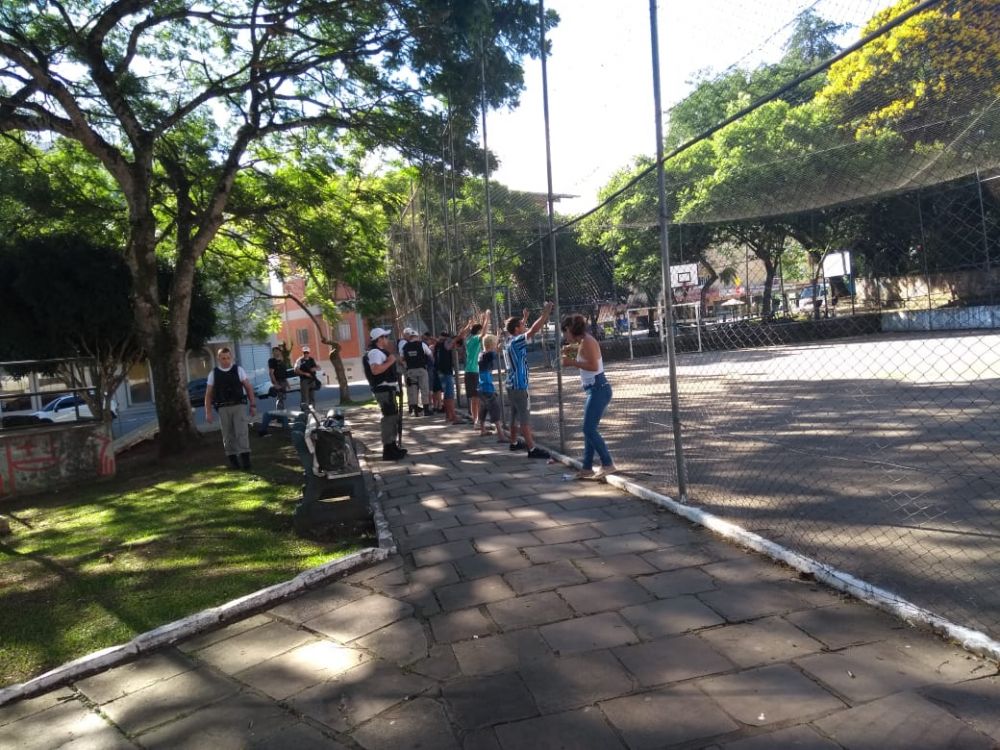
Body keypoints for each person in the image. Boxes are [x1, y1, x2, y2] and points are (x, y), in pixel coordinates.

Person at [560, 313, 616, 479]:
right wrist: (569, 352)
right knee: (589, 429)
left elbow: (592, 366)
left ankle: (608, 463)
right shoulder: (581, 342)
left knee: (588, 429)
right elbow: (574, 358)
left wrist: (572, 362)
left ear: (570, 330)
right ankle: (586, 467)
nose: (564, 336)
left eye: (565, 332)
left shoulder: (588, 342)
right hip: (593, 389)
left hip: (599, 388)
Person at [503, 301, 554, 459]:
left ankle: (513, 442)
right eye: (521, 325)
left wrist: (524, 318)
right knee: (524, 418)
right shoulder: (517, 342)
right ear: (517, 329)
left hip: (511, 385)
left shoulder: (509, 341)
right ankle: (532, 449)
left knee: (514, 415)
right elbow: (532, 331)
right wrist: (545, 314)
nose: (524, 326)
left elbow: (519, 331)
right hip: (519, 386)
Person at [204, 347, 256, 470]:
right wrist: (208, 412)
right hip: (223, 407)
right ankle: (234, 462)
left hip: (238, 405)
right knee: (227, 435)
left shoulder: (239, 370)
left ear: (231, 357)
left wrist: (253, 405)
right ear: (218, 359)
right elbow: (208, 394)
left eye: (228, 358)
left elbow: (248, 388)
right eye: (223, 358)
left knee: (241, 432)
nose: (226, 360)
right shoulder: (213, 373)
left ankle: (246, 461)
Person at [363, 328, 408, 460]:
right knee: (389, 419)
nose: (387, 339)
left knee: (392, 418)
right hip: (383, 390)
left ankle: (392, 446)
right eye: (385, 336)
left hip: (387, 389)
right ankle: (388, 450)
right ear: (379, 339)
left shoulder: (378, 352)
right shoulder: (375, 353)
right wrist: (390, 361)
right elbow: (376, 370)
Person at [477, 333, 508, 442]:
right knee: (495, 409)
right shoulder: (488, 355)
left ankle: (482, 430)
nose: (496, 345)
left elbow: (495, 350)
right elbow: (497, 351)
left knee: (484, 408)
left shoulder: (482, 353)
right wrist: (503, 340)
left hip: (481, 387)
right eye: (495, 343)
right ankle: (501, 436)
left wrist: (498, 338)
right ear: (491, 345)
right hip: (487, 387)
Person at [461, 311, 489, 427]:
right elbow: (484, 332)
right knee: (477, 398)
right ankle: (477, 420)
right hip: (474, 371)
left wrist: (469, 325)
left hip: (469, 371)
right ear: (478, 332)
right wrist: (487, 318)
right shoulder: (475, 339)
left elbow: (463, 333)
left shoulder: (468, 339)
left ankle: (476, 420)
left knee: (474, 398)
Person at [400, 328, 432, 416]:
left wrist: (407, 366)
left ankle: (415, 411)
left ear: (410, 337)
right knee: (424, 389)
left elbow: (401, 359)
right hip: (421, 369)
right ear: (417, 337)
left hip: (410, 371)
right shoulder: (422, 344)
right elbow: (429, 354)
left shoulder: (405, 347)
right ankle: (426, 410)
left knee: (413, 390)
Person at [434, 330, 458, 424]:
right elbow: (458, 337)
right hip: (446, 372)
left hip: (440, 372)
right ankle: (453, 417)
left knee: (446, 395)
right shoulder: (445, 344)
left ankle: (448, 416)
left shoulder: (437, 346)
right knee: (449, 395)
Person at [266, 346, 289, 411]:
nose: (276, 353)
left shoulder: (282, 361)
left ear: (280, 352)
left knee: (283, 398)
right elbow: (271, 373)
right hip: (278, 381)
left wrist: (287, 383)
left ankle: (282, 413)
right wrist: (275, 384)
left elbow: (284, 373)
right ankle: (280, 414)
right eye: (274, 351)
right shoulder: (272, 361)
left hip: (283, 381)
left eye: (277, 351)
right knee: (279, 398)